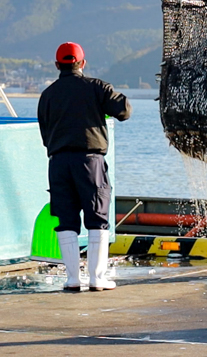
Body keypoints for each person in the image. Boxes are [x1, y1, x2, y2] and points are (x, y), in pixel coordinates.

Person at [37, 42, 132, 291]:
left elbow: (45, 134)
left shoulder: (47, 95)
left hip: (58, 163)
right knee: (97, 218)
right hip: (90, 161)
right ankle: (97, 279)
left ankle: (72, 279)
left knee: (66, 220)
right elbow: (124, 111)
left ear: (58, 65)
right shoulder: (96, 87)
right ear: (83, 63)